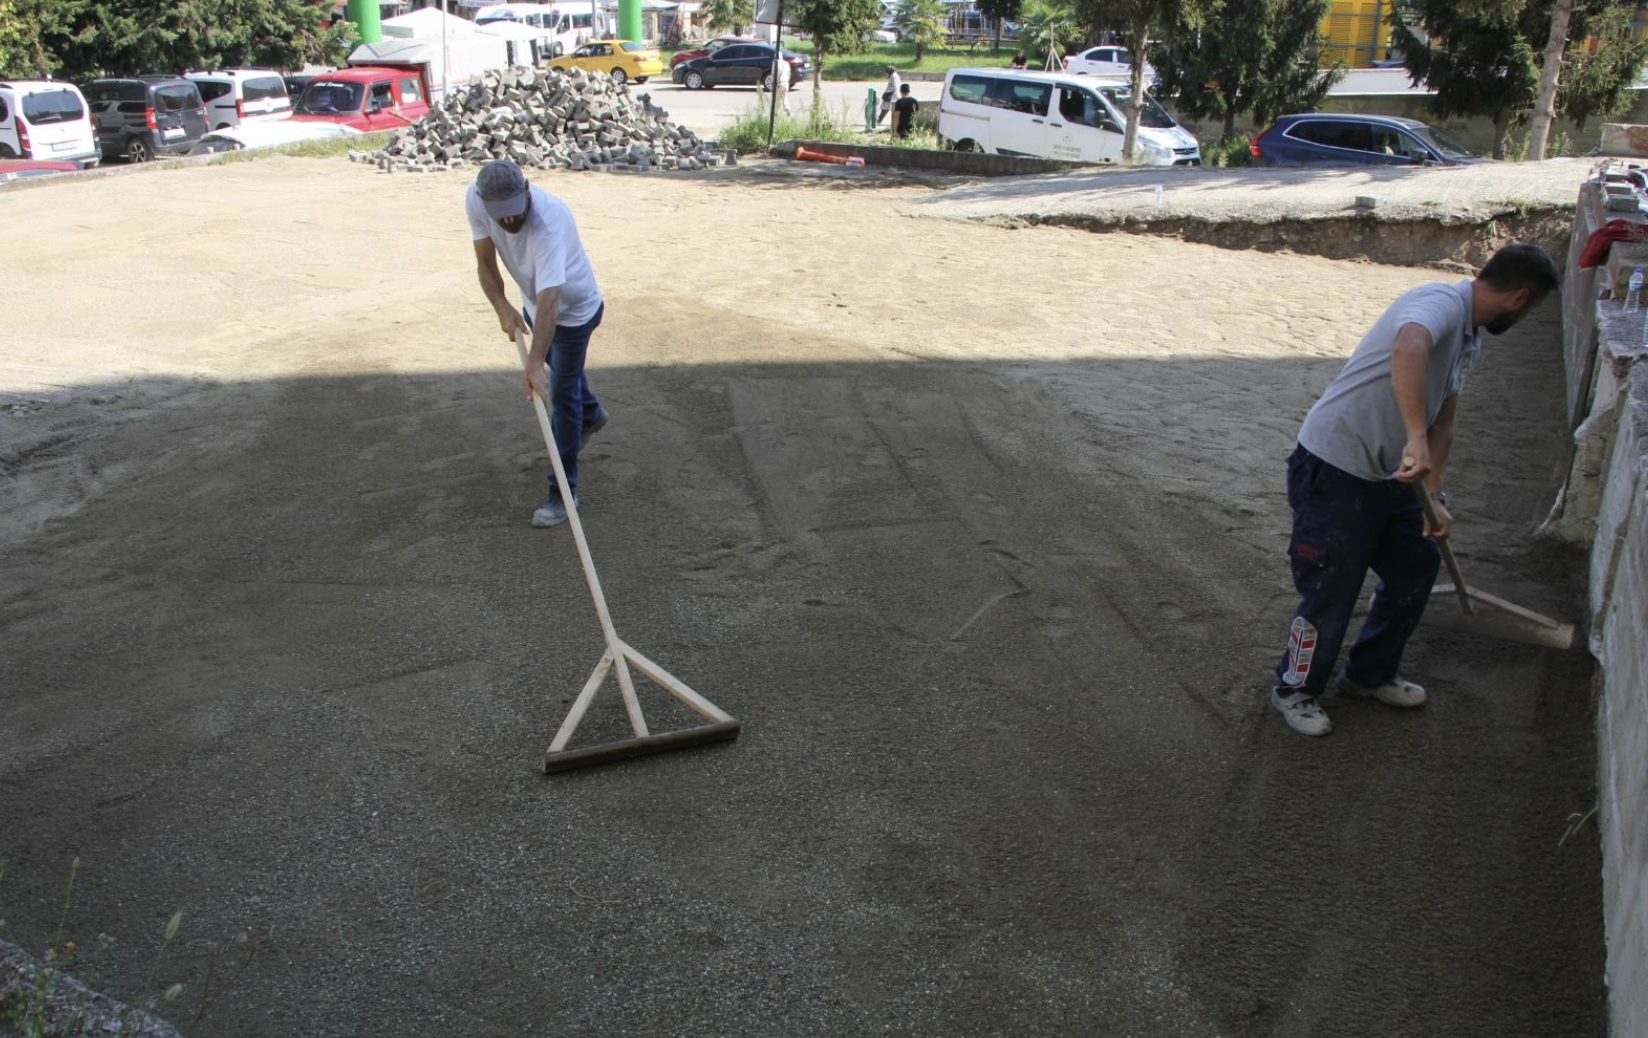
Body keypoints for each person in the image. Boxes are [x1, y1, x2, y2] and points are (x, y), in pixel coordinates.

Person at [1269, 243, 1561, 737]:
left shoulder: (1470, 339)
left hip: (1394, 476)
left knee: (1416, 566)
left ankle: (1369, 674)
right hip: (1335, 466)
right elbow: (1409, 348)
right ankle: (1294, 689)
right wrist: (1415, 438)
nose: (1526, 314)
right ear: (1519, 297)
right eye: (1531, 308)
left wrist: (1437, 495)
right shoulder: (1440, 302)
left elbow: (1444, 417)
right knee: (1331, 586)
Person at [467, 159, 608, 529]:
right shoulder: (475, 200)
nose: (509, 222)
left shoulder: (549, 222)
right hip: (535, 305)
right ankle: (591, 413)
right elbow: (485, 262)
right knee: (565, 379)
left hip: (574, 312)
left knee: (560, 395)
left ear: (527, 189)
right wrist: (502, 307)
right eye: (501, 216)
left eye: (514, 213)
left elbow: (552, 302)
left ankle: (563, 493)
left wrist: (532, 365)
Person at [770, 46, 792, 114]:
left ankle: (776, 113)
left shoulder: (775, 64)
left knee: (777, 98)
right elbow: (789, 74)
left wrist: (772, 84)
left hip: (779, 83)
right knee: (785, 96)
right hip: (786, 83)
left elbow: (773, 74)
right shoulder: (786, 63)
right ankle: (787, 108)